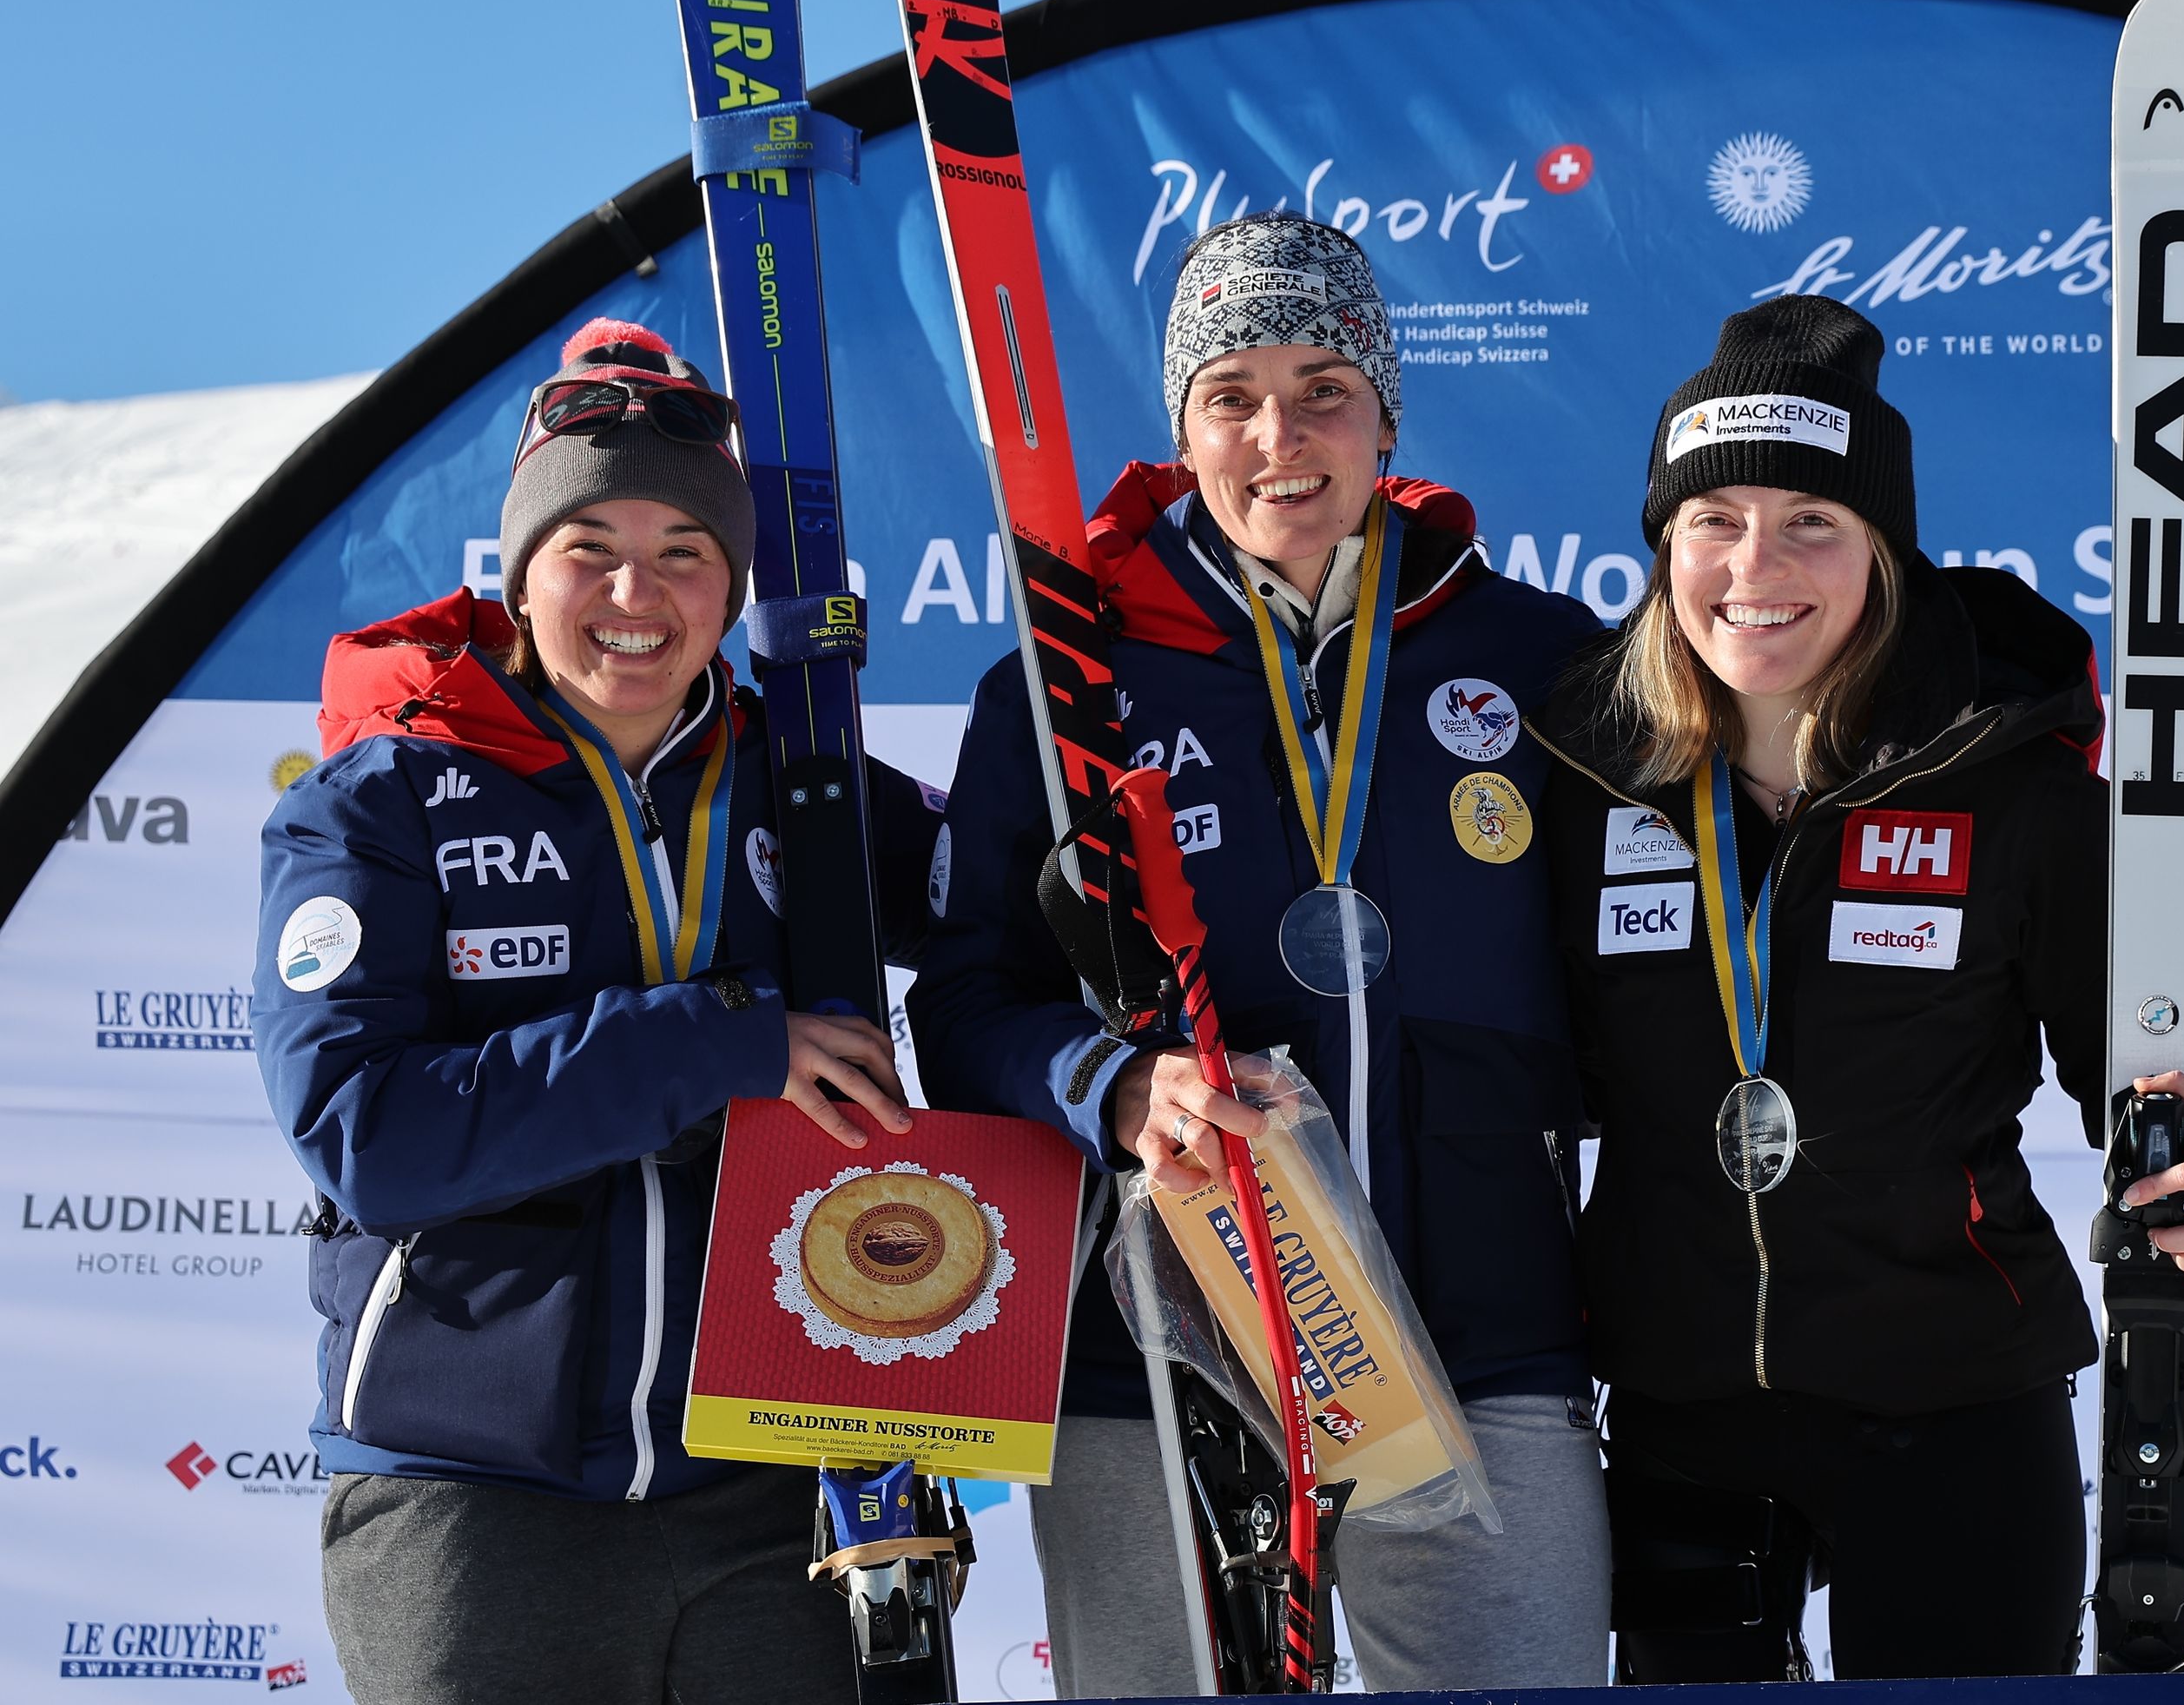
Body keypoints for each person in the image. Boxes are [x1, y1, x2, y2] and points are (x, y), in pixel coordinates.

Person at [1531, 294, 2184, 1682]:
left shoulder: (2005, 783)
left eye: (1812, 523)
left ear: (1884, 553)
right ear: (1665, 547)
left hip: (1955, 1396)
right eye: (1713, 521)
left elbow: (2156, 1049)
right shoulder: (1588, 785)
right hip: (1677, 1413)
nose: (1755, 565)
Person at [907, 215, 1613, 1695]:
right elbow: (969, 1002)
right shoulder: (1064, 680)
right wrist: (1109, 1084)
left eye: (1323, 388)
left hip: (1481, 1337)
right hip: (1160, 1355)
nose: (1278, 436)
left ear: (1386, 415)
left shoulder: (1542, 659)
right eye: (1230, 394)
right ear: (1183, 425)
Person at [250, 319, 938, 1705]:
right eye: (589, 549)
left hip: (774, 1484)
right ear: (519, 576)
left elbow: (1014, 932)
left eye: (686, 552)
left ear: (732, 583)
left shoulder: (810, 794)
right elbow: (367, 1134)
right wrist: (719, 1041)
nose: (639, 591)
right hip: (472, 1489)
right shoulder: (381, 802)